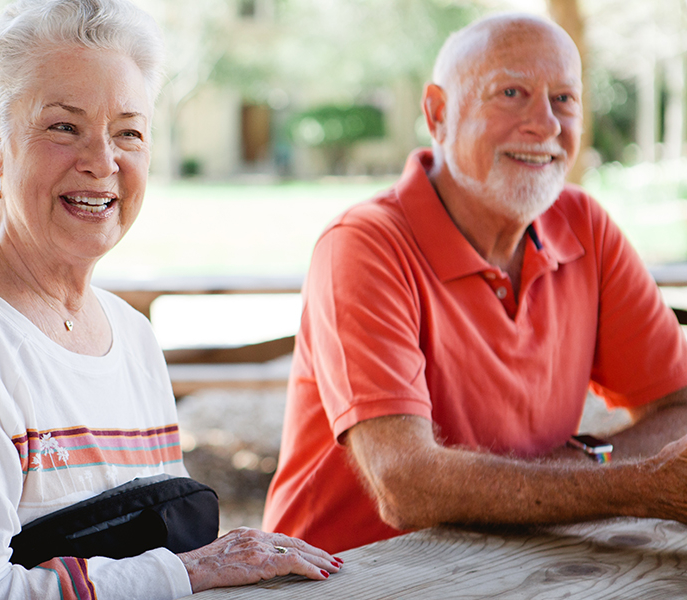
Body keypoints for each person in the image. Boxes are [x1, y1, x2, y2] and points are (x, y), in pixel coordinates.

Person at [0, 0, 341, 598]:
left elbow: (155, 543)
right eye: (64, 126)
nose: (101, 162)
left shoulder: (130, 334)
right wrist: (189, 571)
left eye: (128, 132)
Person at [263, 12, 687, 555]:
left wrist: (580, 462)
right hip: (342, 578)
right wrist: (637, 485)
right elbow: (406, 485)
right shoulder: (364, 243)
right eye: (511, 93)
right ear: (438, 113)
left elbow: (676, 408)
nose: (547, 125)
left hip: (515, 560)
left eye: (565, 99)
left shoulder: (585, 225)